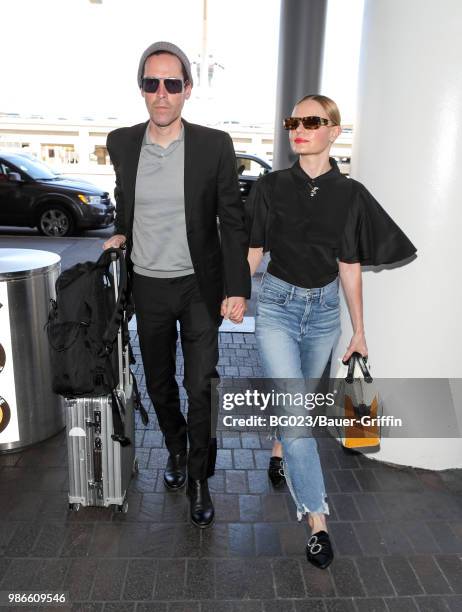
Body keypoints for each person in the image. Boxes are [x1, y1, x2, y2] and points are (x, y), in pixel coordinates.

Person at [246, 94, 416, 568]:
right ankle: (318, 522)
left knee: (296, 403)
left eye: (312, 121)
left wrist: (359, 330)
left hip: (323, 314)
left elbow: (349, 265)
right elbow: (255, 248)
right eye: (293, 121)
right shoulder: (271, 187)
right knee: (300, 412)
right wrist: (238, 292)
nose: (299, 128)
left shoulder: (350, 194)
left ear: (334, 131)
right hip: (277, 306)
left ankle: (279, 448)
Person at [103, 41, 250, 529]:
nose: (161, 94)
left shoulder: (213, 145)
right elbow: (126, 200)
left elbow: (232, 220)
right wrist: (121, 231)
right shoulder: (123, 143)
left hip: (199, 288)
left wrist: (237, 287)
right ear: (141, 89)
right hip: (147, 287)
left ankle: (200, 476)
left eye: (171, 84)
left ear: (187, 89)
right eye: (152, 83)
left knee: (201, 386)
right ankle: (174, 445)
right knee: (161, 384)